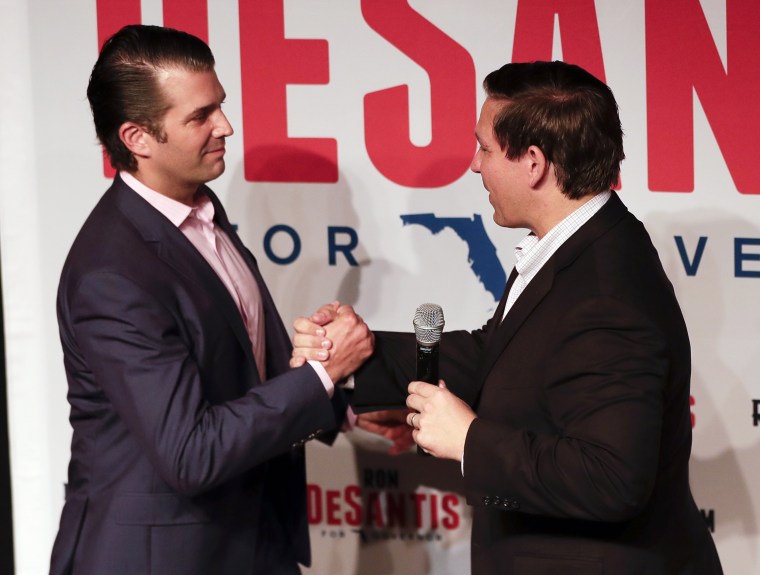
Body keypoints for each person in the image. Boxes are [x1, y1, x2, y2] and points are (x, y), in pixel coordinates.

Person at [292, 61, 723, 574]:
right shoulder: (581, 244)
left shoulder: (606, 289)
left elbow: (611, 478)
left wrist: (470, 439)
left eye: (486, 148)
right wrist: (359, 352)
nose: (476, 165)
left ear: (534, 162)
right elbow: (496, 354)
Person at [50, 24, 373, 575]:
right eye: (200, 116)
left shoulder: (202, 213)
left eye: (220, 106)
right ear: (137, 138)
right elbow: (189, 453)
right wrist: (321, 376)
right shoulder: (112, 272)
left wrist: (343, 408)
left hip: (250, 542)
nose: (226, 126)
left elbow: (242, 379)